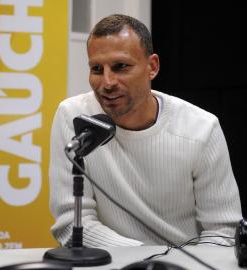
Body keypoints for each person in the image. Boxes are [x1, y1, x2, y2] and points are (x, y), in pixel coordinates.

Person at [49, 14, 242, 247]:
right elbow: (72, 224)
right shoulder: (72, 116)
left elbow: (223, 233)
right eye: (97, 69)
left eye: (120, 67)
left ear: (152, 67)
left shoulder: (201, 128)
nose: (107, 82)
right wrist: (144, 261)